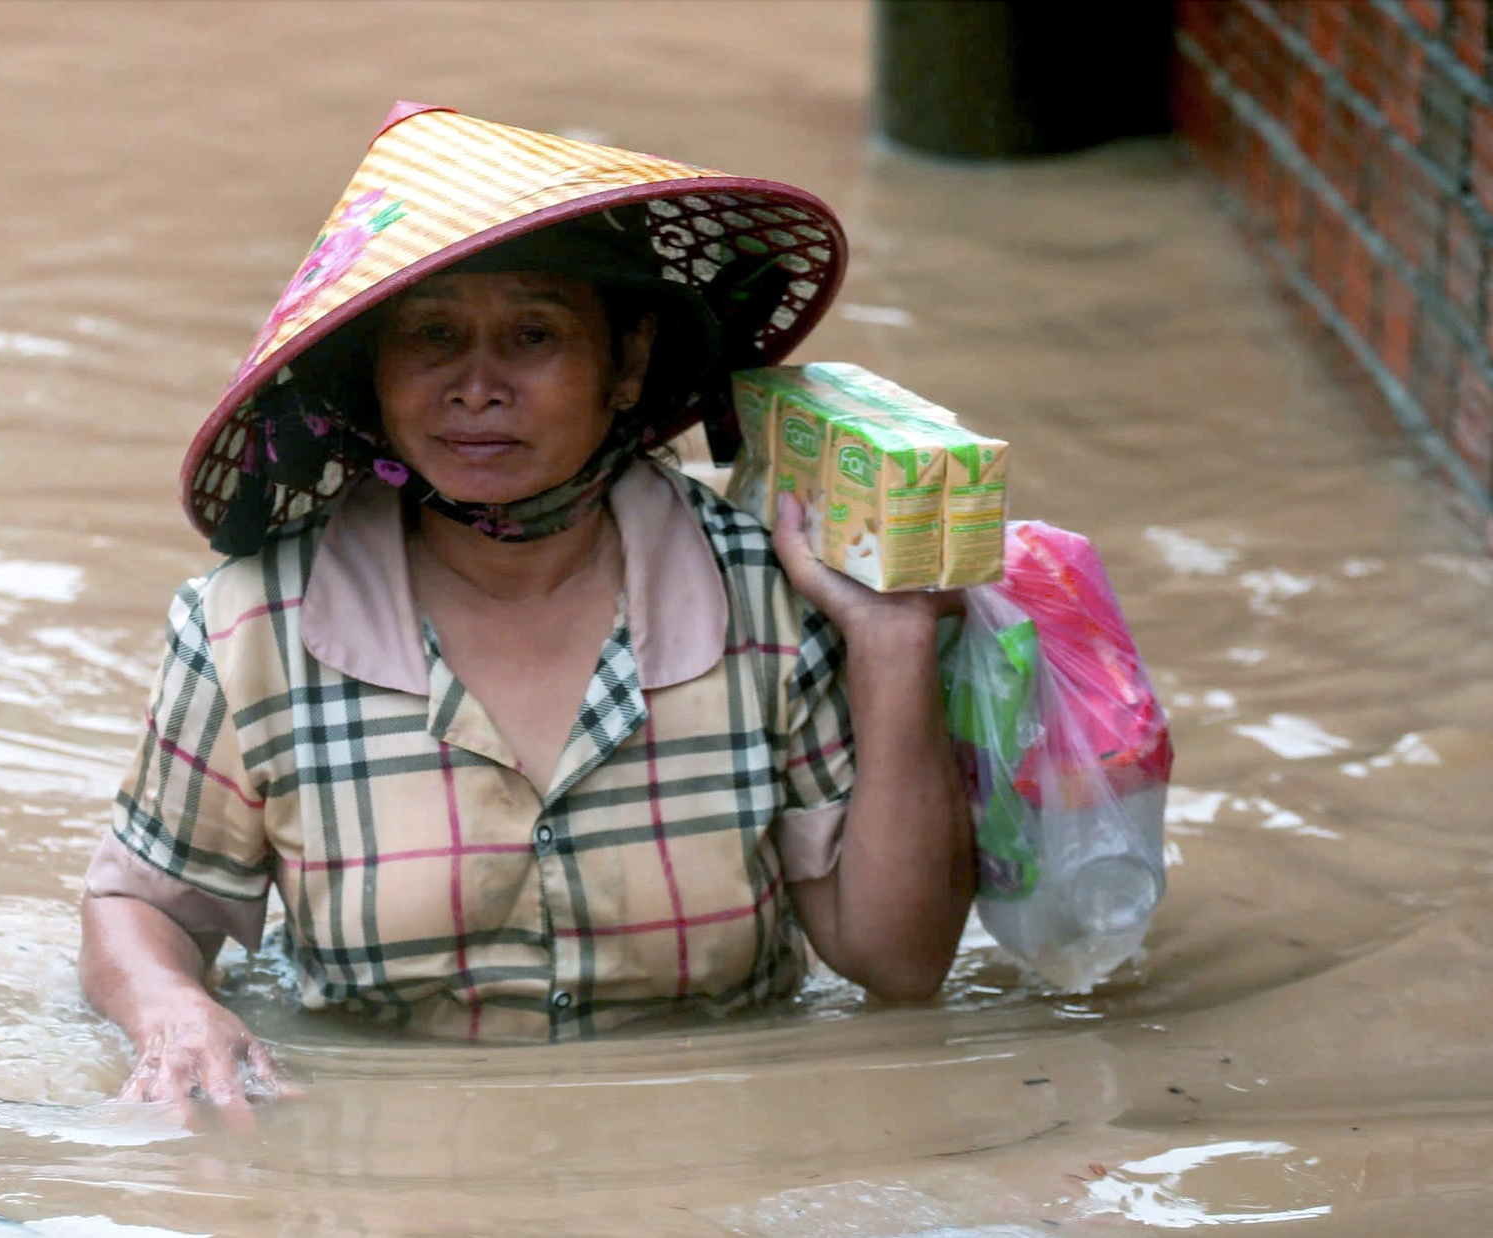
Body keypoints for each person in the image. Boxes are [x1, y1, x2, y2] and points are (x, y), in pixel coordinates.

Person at [78, 103, 972, 1114]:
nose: (476, 386)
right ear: (374, 375)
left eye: (534, 334)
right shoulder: (249, 628)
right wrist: (170, 1005)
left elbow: (897, 965)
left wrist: (889, 641)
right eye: (431, 336)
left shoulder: (767, 595)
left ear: (625, 363)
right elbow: (139, 903)